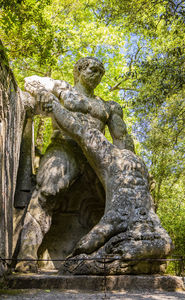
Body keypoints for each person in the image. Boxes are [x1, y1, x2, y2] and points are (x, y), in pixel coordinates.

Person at [15, 57, 135, 272]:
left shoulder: (108, 106)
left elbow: (121, 138)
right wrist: (42, 93)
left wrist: (127, 166)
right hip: (65, 146)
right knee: (47, 189)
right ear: (78, 71)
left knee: (118, 198)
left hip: (96, 155)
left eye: (101, 72)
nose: (97, 75)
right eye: (92, 69)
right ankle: (27, 254)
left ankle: (118, 254)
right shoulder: (63, 89)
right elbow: (31, 81)